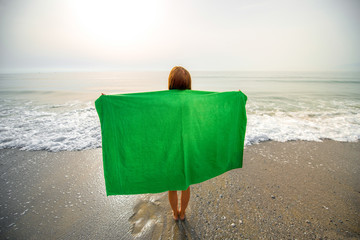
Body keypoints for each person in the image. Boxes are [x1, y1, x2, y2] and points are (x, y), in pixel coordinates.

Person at [167, 66, 191, 221]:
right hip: (187, 147)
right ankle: (182, 212)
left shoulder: (165, 101)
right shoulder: (191, 101)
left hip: (170, 148)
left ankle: (175, 213)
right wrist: (235, 98)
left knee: (172, 185)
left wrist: (110, 102)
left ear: (171, 82)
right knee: (186, 183)